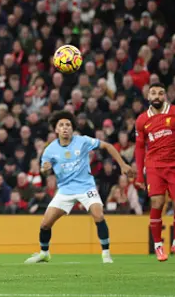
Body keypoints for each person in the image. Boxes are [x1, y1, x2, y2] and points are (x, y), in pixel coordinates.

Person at [24, 110, 133, 265]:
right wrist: (45, 168)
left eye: (68, 124)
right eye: (61, 125)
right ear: (56, 130)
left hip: (85, 187)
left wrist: (122, 165)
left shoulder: (82, 141)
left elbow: (107, 146)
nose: (65, 127)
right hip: (65, 190)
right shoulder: (49, 150)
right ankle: (44, 253)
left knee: (98, 215)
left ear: (72, 128)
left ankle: (106, 254)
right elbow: (44, 169)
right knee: (45, 224)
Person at [135, 83, 175, 262]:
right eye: (153, 93)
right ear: (148, 97)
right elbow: (139, 149)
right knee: (157, 202)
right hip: (155, 166)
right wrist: (140, 175)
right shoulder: (141, 120)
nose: (157, 96)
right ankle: (158, 246)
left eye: (160, 93)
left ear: (165, 96)